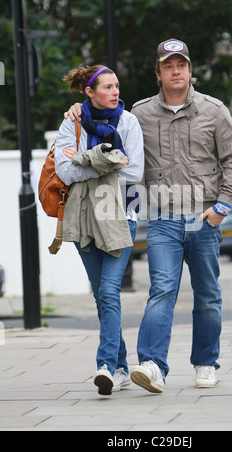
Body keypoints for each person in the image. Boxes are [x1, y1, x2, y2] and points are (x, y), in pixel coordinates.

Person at [66, 39, 232, 393]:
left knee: (207, 294)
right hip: (162, 218)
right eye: (168, 65)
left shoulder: (215, 110)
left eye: (182, 65)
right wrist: (78, 109)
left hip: (204, 218)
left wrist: (222, 206)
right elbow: (107, 129)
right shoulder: (140, 113)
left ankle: (206, 363)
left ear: (190, 71)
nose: (176, 71)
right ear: (159, 73)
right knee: (162, 290)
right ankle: (151, 365)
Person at [55, 64, 144, 396]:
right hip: (84, 217)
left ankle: (106, 365)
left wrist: (84, 159)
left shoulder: (129, 121)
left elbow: (134, 168)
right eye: (107, 87)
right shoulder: (73, 121)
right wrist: (105, 161)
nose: (116, 92)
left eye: (117, 86)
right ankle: (120, 367)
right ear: (89, 92)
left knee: (109, 292)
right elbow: (64, 172)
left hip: (122, 213)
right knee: (102, 296)